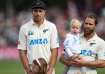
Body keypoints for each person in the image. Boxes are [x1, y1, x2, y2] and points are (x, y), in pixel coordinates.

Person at [17, 0, 59, 74]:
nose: (38, 13)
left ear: (44, 12)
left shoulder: (52, 27)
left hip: (47, 69)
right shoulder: (24, 28)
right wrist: (27, 70)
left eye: (40, 11)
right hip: (32, 69)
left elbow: (54, 49)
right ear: (32, 12)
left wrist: (50, 69)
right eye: (35, 11)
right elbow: (22, 51)